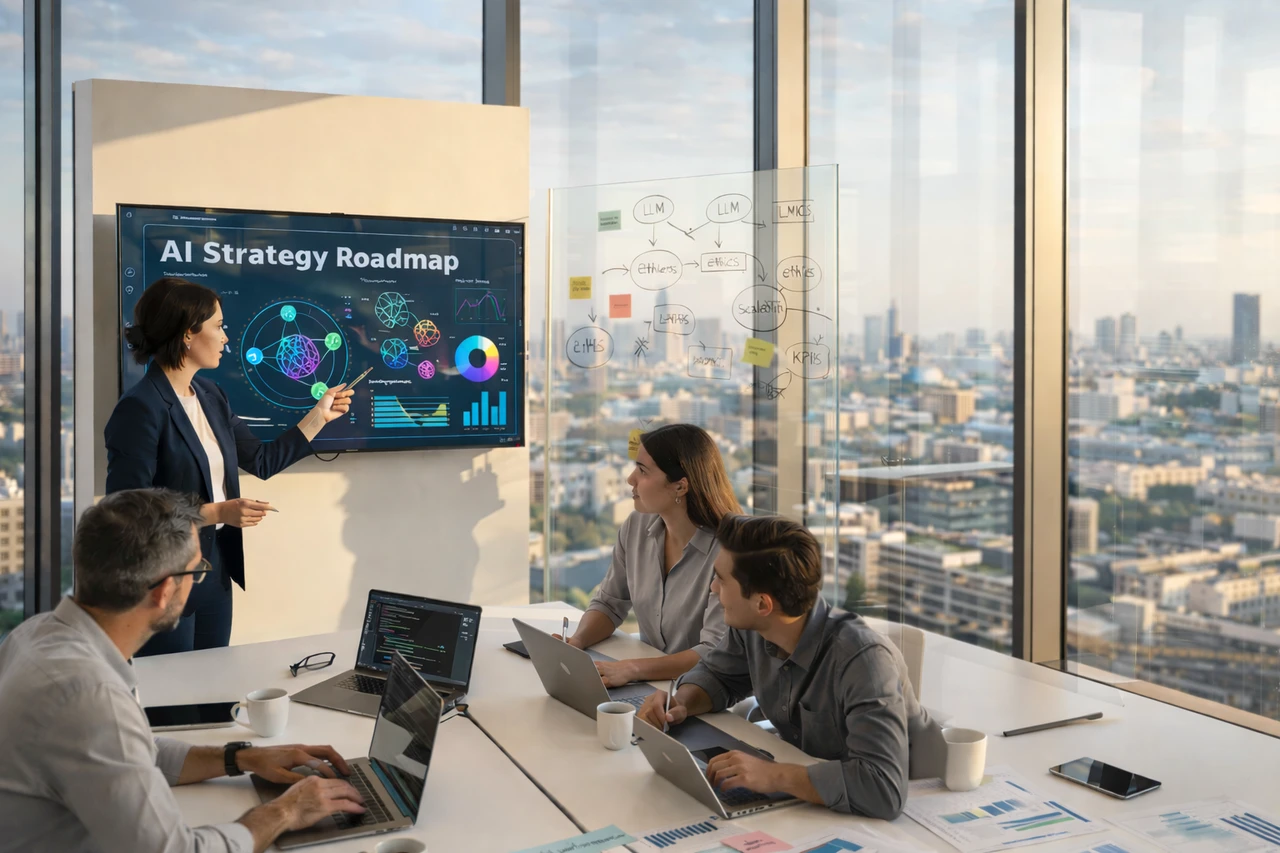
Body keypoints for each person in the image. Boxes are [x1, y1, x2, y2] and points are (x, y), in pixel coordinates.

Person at [0, 489, 367, 853]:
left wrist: (241, 758)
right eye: (197, 570)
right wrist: (286, 810)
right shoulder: (90, 696)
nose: (197, 580)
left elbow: (132, 751)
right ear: (163, 592)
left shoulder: (37, 634)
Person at [105, 277, 354, 655]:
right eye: (218, 327)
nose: (225, 338)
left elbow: (263, 460)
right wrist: (218, 511)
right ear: (187, 334)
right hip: (163, 580)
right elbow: (128, 514)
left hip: (216, 569)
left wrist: (318, 418)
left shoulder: (210, 395)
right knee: (177, 706)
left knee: (216, 693)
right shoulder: (140, 408)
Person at [637, 514, 941, 820]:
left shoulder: (863, 660)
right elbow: (719, 675)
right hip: (817, 803)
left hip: (918, 807)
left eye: (721, 578)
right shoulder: (753, 627)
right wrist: (681, 704)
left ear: (762, 604)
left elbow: (881, 788)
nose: (713, 588)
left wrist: (774, 775)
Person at [558, 424, 742, 686]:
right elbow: (609, 604)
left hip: (701, 691)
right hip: (649, 684)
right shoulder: (635, 527)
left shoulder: (729, 550)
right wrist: (575, 644)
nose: (630, 479)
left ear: (680, 487)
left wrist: (631, 670)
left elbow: (711, 652)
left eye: (643, 471)